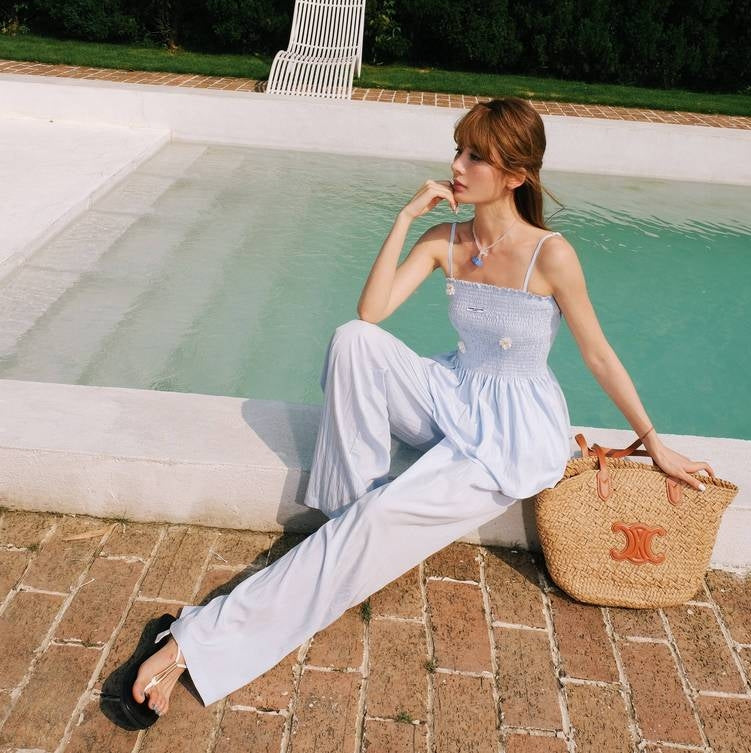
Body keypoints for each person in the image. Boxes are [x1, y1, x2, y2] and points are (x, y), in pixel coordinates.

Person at [120, 97, 713, 727]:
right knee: (353, 341)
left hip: (509, 432)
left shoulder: (551, 254)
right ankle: (350, 511)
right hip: (451, 392)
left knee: (378, 517)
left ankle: (192, 641)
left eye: (476, 156)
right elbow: (371, 313)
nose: (457, 165)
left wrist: (653, 440)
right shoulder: (445, 240)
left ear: (515, 176)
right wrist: (404, 219)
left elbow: (598, 354)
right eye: (459, 150)